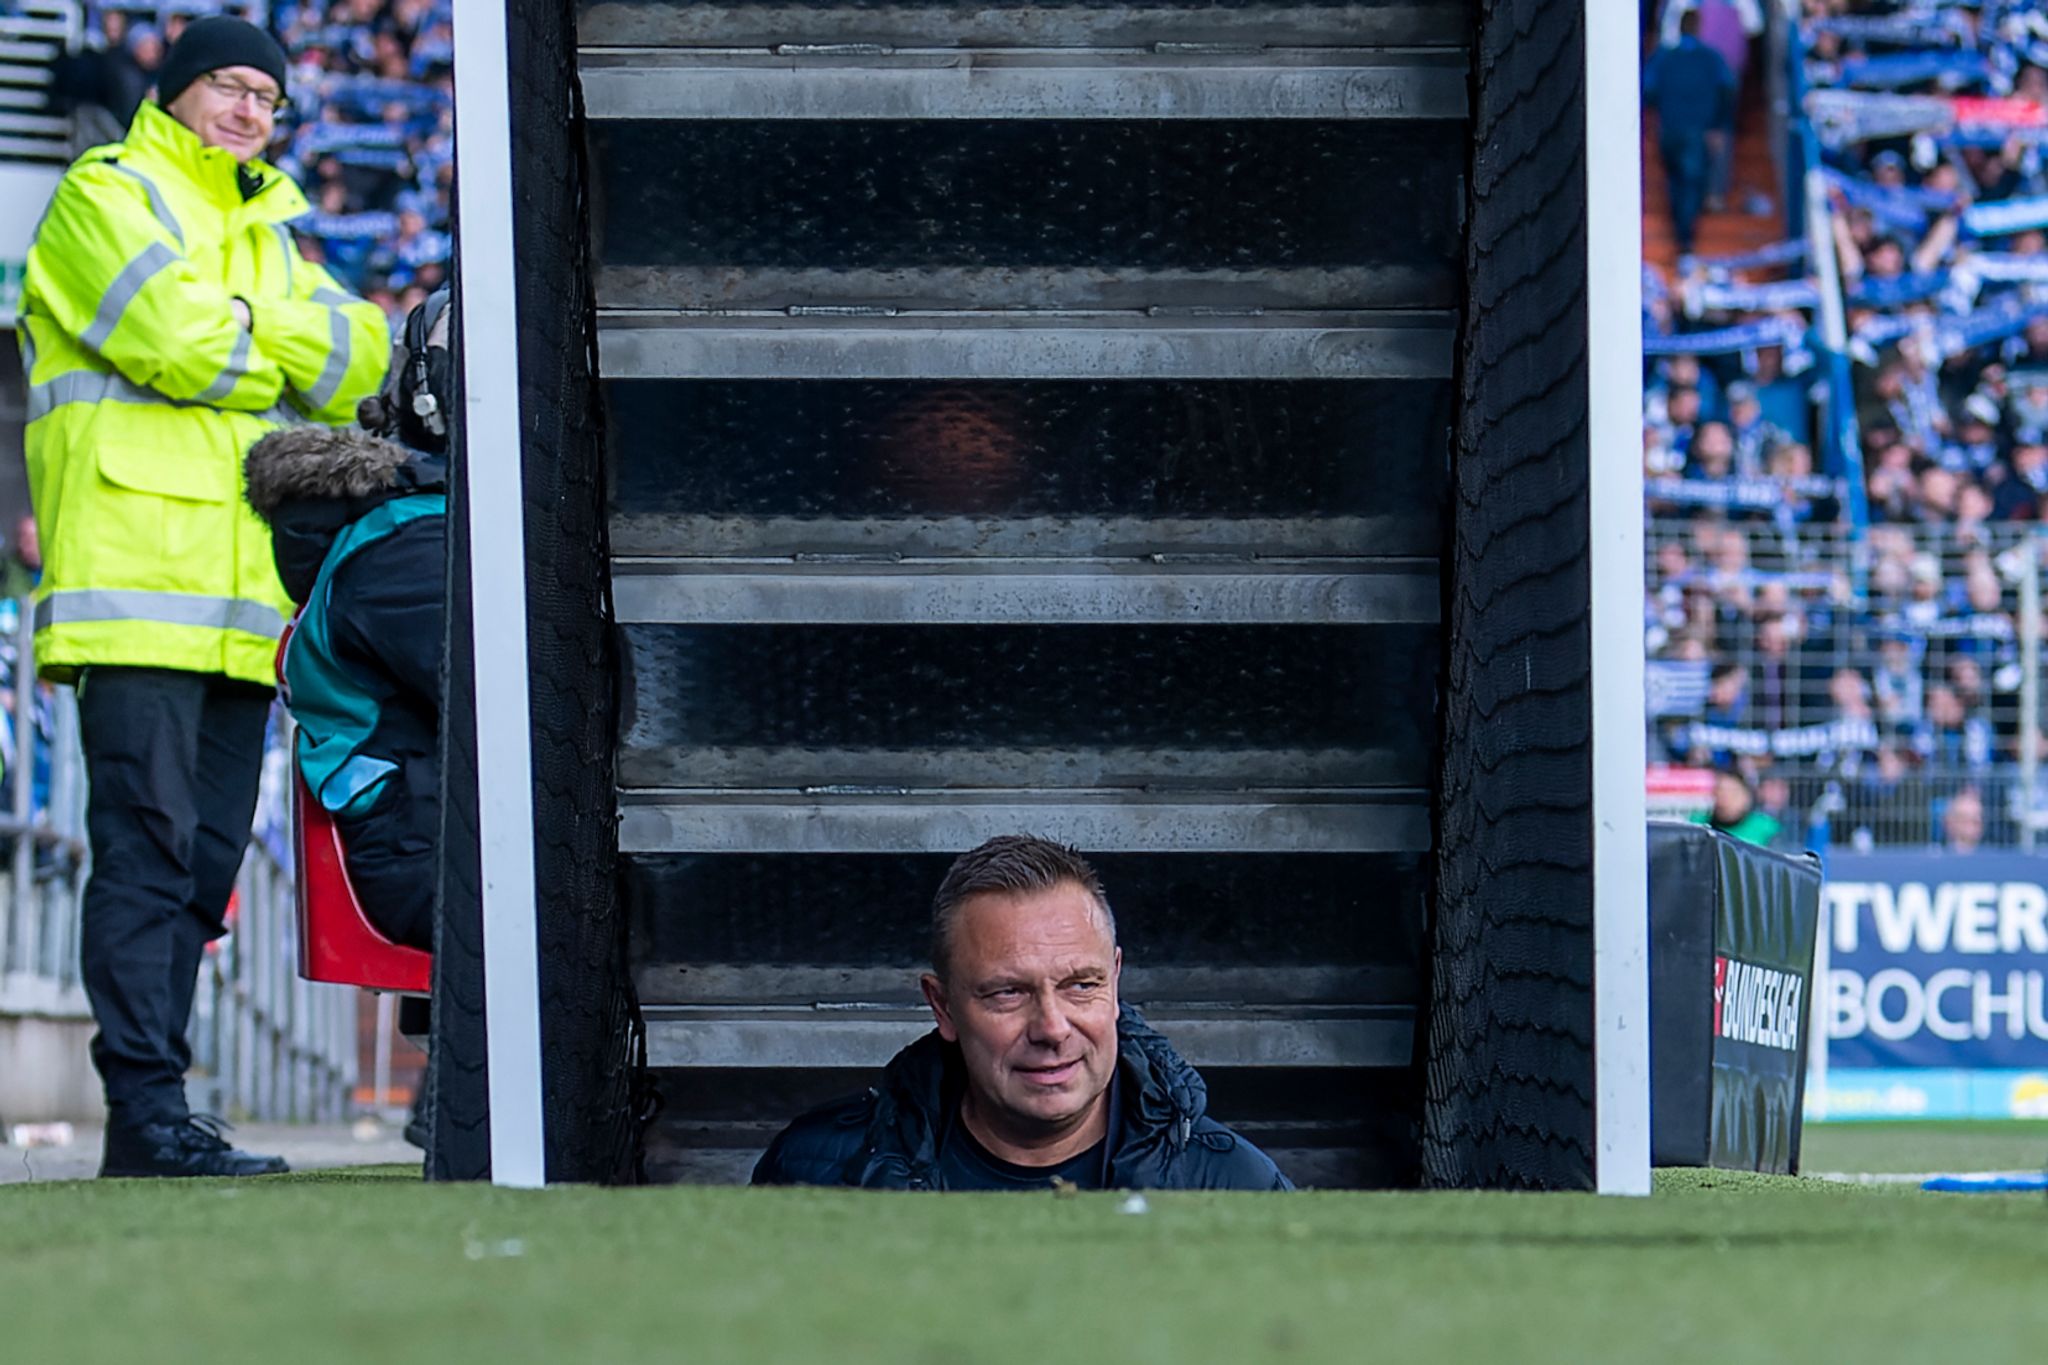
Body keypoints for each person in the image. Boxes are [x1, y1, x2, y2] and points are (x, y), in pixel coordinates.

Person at [16, 16, 390, 1177]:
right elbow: (175, 343)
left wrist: (245, 329)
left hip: (244, 606)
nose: (248, 114)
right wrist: (267, 341)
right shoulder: (102, 190)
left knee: (205, 869)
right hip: (134, 590)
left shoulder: (271, 228)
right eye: (228, 89)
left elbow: (363, 358)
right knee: (145, 854)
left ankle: (162, 1118)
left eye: (267, 101)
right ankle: (144, 1115)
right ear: (178, 92)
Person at [753, 836, 1294, 1191]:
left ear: (1116, 979)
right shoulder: (814, 1174)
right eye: (1008, 993)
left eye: (1082, 985)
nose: (1053, 1029)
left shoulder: (1231, 1188)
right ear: (942, 1006)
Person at [243, 288, 449, 952]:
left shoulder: (411, 529)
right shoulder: (405, 547)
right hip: (426, 852)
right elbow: (510, 699)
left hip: (436, 832)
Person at [1644, 10, 1734, 256]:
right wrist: (1717, 126)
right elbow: (1727, 90)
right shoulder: (1712, 58)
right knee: (1691, 183)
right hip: (1696, 132)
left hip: (1670, 130)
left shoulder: (1663, 57)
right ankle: (1684, 239)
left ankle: (1682, 235)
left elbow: (1647, 90)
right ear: (1697, 28)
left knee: (1676, 180)